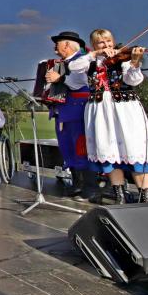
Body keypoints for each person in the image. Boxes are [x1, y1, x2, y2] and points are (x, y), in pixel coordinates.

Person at [83, 29, 148, 204]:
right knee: (108, 150)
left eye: (109, 41)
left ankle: (145, 197)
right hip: (101, 111)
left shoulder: (123, 59)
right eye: (101, 42)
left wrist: (135, 62)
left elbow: (134, 80)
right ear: (94, 45)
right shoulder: (90, 62)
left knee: (135, 149)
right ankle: (120, 196)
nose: (107, 45)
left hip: (125, 109)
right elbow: (74, 66)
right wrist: (95, 54)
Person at [43, 31, 96, 202]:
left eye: (58, 43)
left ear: (67, 44)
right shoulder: (60, 64)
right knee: (68, 148)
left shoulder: (82, 60)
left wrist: (60, 79)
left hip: (76, 111)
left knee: (81, 148)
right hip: (62, 112)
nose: (55, 46)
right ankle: (77, 184)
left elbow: (79, 82)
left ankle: (90, 187)